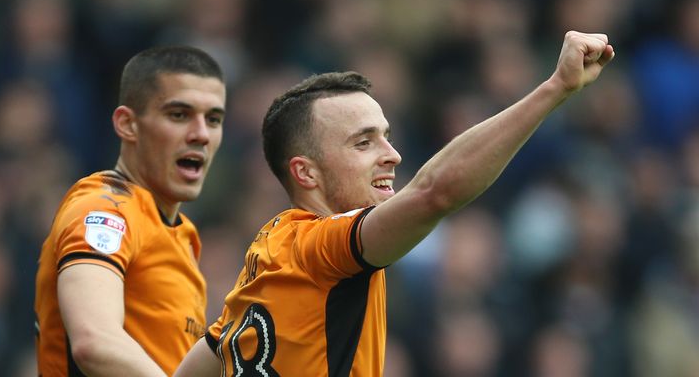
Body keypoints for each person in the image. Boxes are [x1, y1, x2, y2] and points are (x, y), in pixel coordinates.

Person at [175, 31, 615, 376]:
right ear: (305, 172)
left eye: (386, 135)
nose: (392, 154)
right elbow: (433, 194)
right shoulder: (323, 247)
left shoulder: (270, 248)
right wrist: (555, 88)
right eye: (364, 142)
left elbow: (216, 347)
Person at [34, 46, 226, 376]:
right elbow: (95, 341)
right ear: (127, 124)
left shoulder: (181, 235)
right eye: (179, 115)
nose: (202, 135)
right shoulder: (105, 211)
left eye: (213, 119)